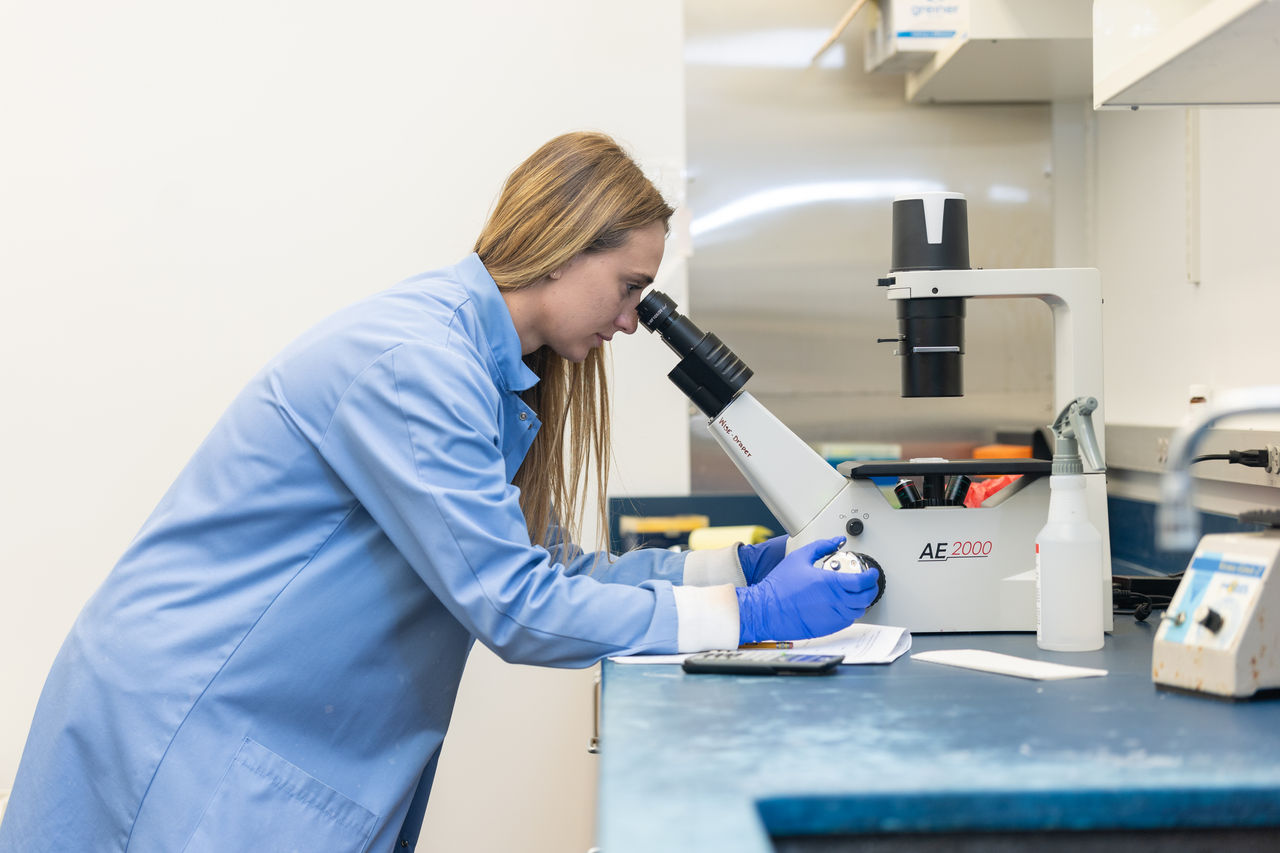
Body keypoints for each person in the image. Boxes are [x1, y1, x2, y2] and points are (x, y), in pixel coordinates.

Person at [0, 131, 881, 851]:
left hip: (268, 727)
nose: (627, 322)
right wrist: (747, 615)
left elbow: (542, 562)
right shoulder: (417, 364)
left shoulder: (484, 371)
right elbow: (519, 605)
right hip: (188, 723)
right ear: (568, 248)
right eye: (629, 290)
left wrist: (729, 566)